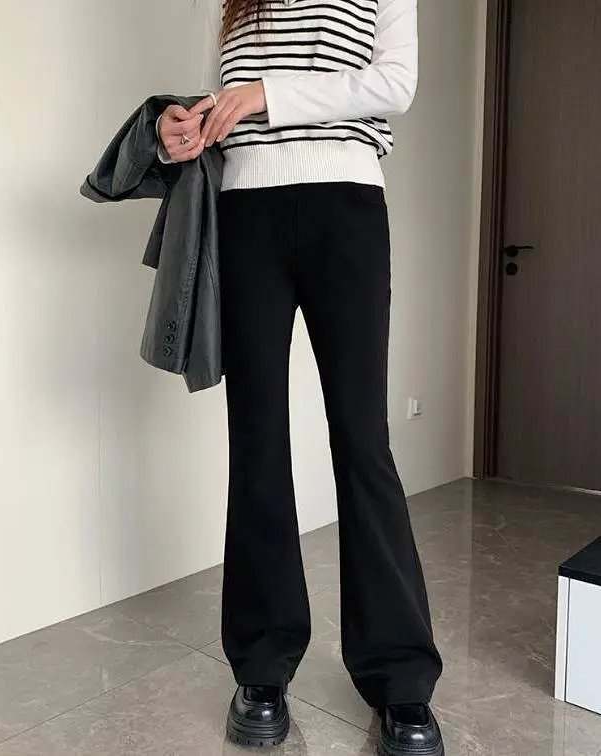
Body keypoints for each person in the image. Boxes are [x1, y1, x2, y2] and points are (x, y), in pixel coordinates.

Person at [156, 0, 444, 752]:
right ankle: (261, 666)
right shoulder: (230, 3)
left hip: (346, 205)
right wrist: (188, 125)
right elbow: (228, 103)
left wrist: (268, 94)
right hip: (245, 211)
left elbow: (396, 83)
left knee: (362, 438)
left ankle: (400, 679)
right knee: (257, 440)